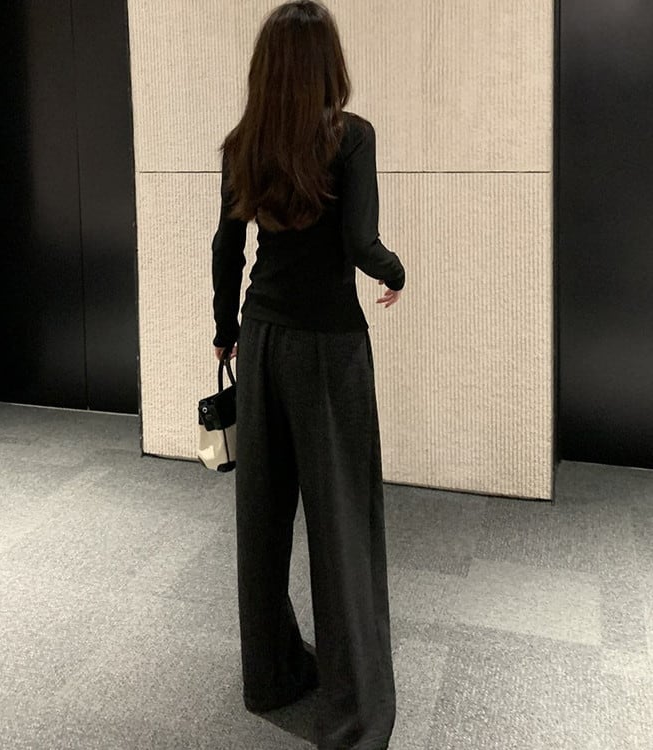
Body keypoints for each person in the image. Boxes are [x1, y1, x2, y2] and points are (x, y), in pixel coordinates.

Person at [210, 2, 405, 748]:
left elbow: (227, 249)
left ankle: (271, 676)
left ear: (265, 69)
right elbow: (360, 242)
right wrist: (396, 271)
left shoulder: (243, 144)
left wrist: (226, 334)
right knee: (342, 518)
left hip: (262, 339)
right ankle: (353, 710)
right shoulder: (351, 137)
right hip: (329, 348)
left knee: (262, 517)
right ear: (329, 64)